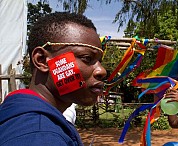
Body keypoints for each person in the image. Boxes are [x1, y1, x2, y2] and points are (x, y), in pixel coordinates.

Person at [0, 12, 107, 146]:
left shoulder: (29, 122)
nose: (102, 71)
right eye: (87, 58)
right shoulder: (39, 135)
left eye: (99, 61)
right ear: (42, 60)